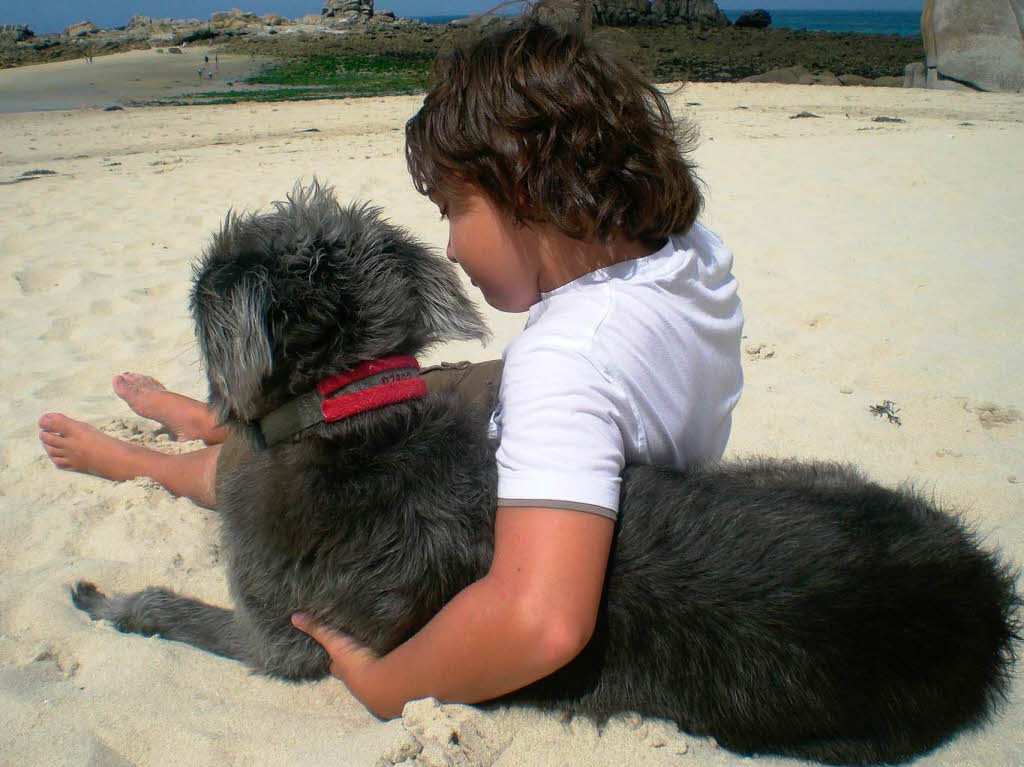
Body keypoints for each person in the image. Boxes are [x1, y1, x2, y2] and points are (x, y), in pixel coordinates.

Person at [39, 6, 742, 720]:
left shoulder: (565, 363)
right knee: (366, 390)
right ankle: (209, 419)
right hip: (554, 412)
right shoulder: (691, 250)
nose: (450, 248)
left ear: (525, 192)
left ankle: (167, 451)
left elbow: (540, 620)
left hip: (525, 456)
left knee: (300, 434)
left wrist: (386, 684)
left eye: (451, 210)